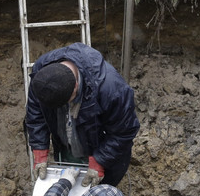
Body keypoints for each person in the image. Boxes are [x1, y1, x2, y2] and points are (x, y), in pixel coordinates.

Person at [26, 43, 140, 187]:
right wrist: (39, 149)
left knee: (100, 193)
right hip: (67, 143)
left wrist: (100, 160)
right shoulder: (43, 76)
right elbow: (35, 113)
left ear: (76, 87)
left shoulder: (111, 89)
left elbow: (124, 132)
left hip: (103, 147)